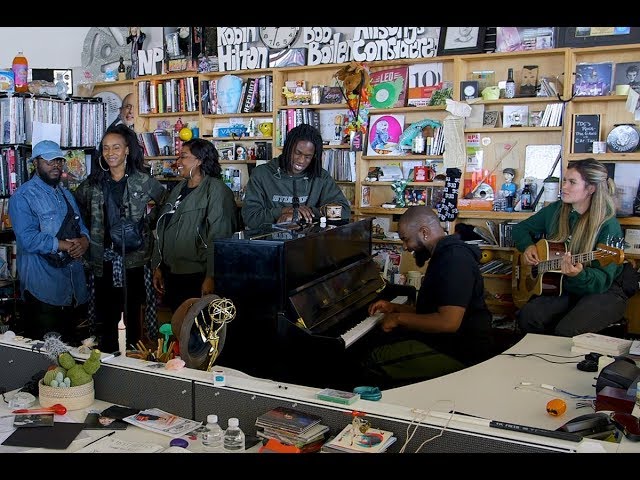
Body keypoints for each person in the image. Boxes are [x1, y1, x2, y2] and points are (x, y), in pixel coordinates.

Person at [355, 206, 493, 389]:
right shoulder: (443, 254)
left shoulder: (454, 260)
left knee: (371, 359)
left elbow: (448, 322)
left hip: (460, 353)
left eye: (406, 239)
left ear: (424, 232)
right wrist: (395, 308)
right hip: (447, 343)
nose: (405, 247)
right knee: (378, 342)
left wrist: (398, 318)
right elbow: (434, 310)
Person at [74, 124, 166, 352]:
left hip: (134, 262)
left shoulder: (143, 181)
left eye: (116, 147)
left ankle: (131, 367)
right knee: (106, 318)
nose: (110, 153)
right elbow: (79, 211)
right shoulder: (93, 183)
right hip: (102, 260)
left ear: (127, 150)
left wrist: (145, 227)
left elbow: (165, 210)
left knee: (132, 318)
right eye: (105, 148)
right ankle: (107, 363)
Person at [512, 158, 627, 337]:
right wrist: (527, 247)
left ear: (591, 189)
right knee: (528, 316)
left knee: (567, 331)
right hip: (562, 285)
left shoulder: (608, 225)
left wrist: (579, 275)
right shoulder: (556, 210)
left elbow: (602, 280)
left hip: (603, 290)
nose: (563, 187)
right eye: (564, 180)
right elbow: (520, 229)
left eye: (572, 182)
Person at [8, 140, 90, 343]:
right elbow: (27, 239)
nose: (56, 165)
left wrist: (84, 242)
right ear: (35, 163)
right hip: (43, 289)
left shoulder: (66, 194)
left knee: (72, 355)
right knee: (44, 358)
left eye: (59, 160)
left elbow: (83, 228)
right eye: (49, 160)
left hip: (73, 289)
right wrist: (64, 245)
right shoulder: (22, 197)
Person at [152, 138, 238, 313]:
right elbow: (163, 228)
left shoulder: (216, 190)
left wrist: (211, 276)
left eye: (183, 157)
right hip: (173, 272)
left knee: (199, 330)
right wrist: (158, 265)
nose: (178, 162)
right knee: (179, 328)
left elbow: (219, 236)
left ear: (199, 160)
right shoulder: (178, 189)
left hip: (197, 275)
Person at [241, 123, 351, 229]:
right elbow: (250, 217)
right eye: (297, 153)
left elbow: (344, 211)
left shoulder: (320, 177)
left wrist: (303, 213)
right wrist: (283, 212)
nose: (301, 160)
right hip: (270, 244)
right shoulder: (262, 174)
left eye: (308, 156)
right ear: (288, 148)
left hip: (308, 244)